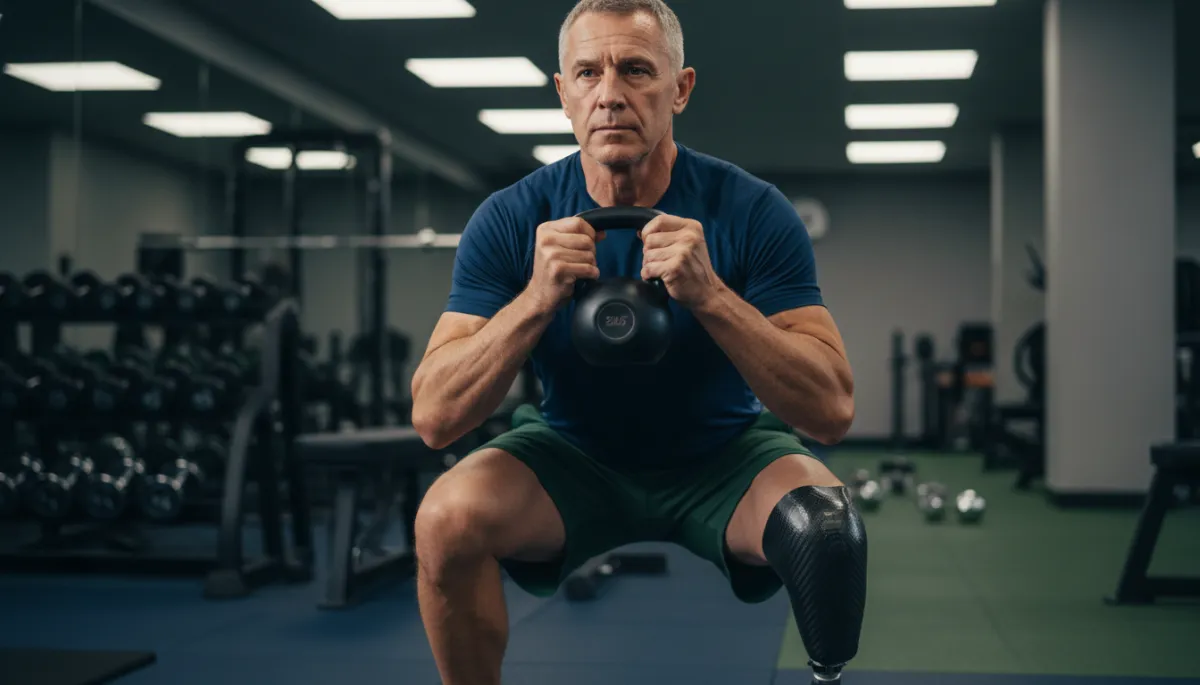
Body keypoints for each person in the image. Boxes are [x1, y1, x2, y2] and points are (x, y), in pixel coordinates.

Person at [409, 1, 867, 684]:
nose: (610, 94)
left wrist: (711, 295)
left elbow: (831, 409)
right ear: (563, 94)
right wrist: (535, 299)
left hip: (722, 454)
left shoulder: (751, 210)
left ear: (680, 88)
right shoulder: (510, 218)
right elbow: (434, 416)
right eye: (587, 73)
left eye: (635, 70)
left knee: (825, 526)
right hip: (570, 454)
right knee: (445, 520)